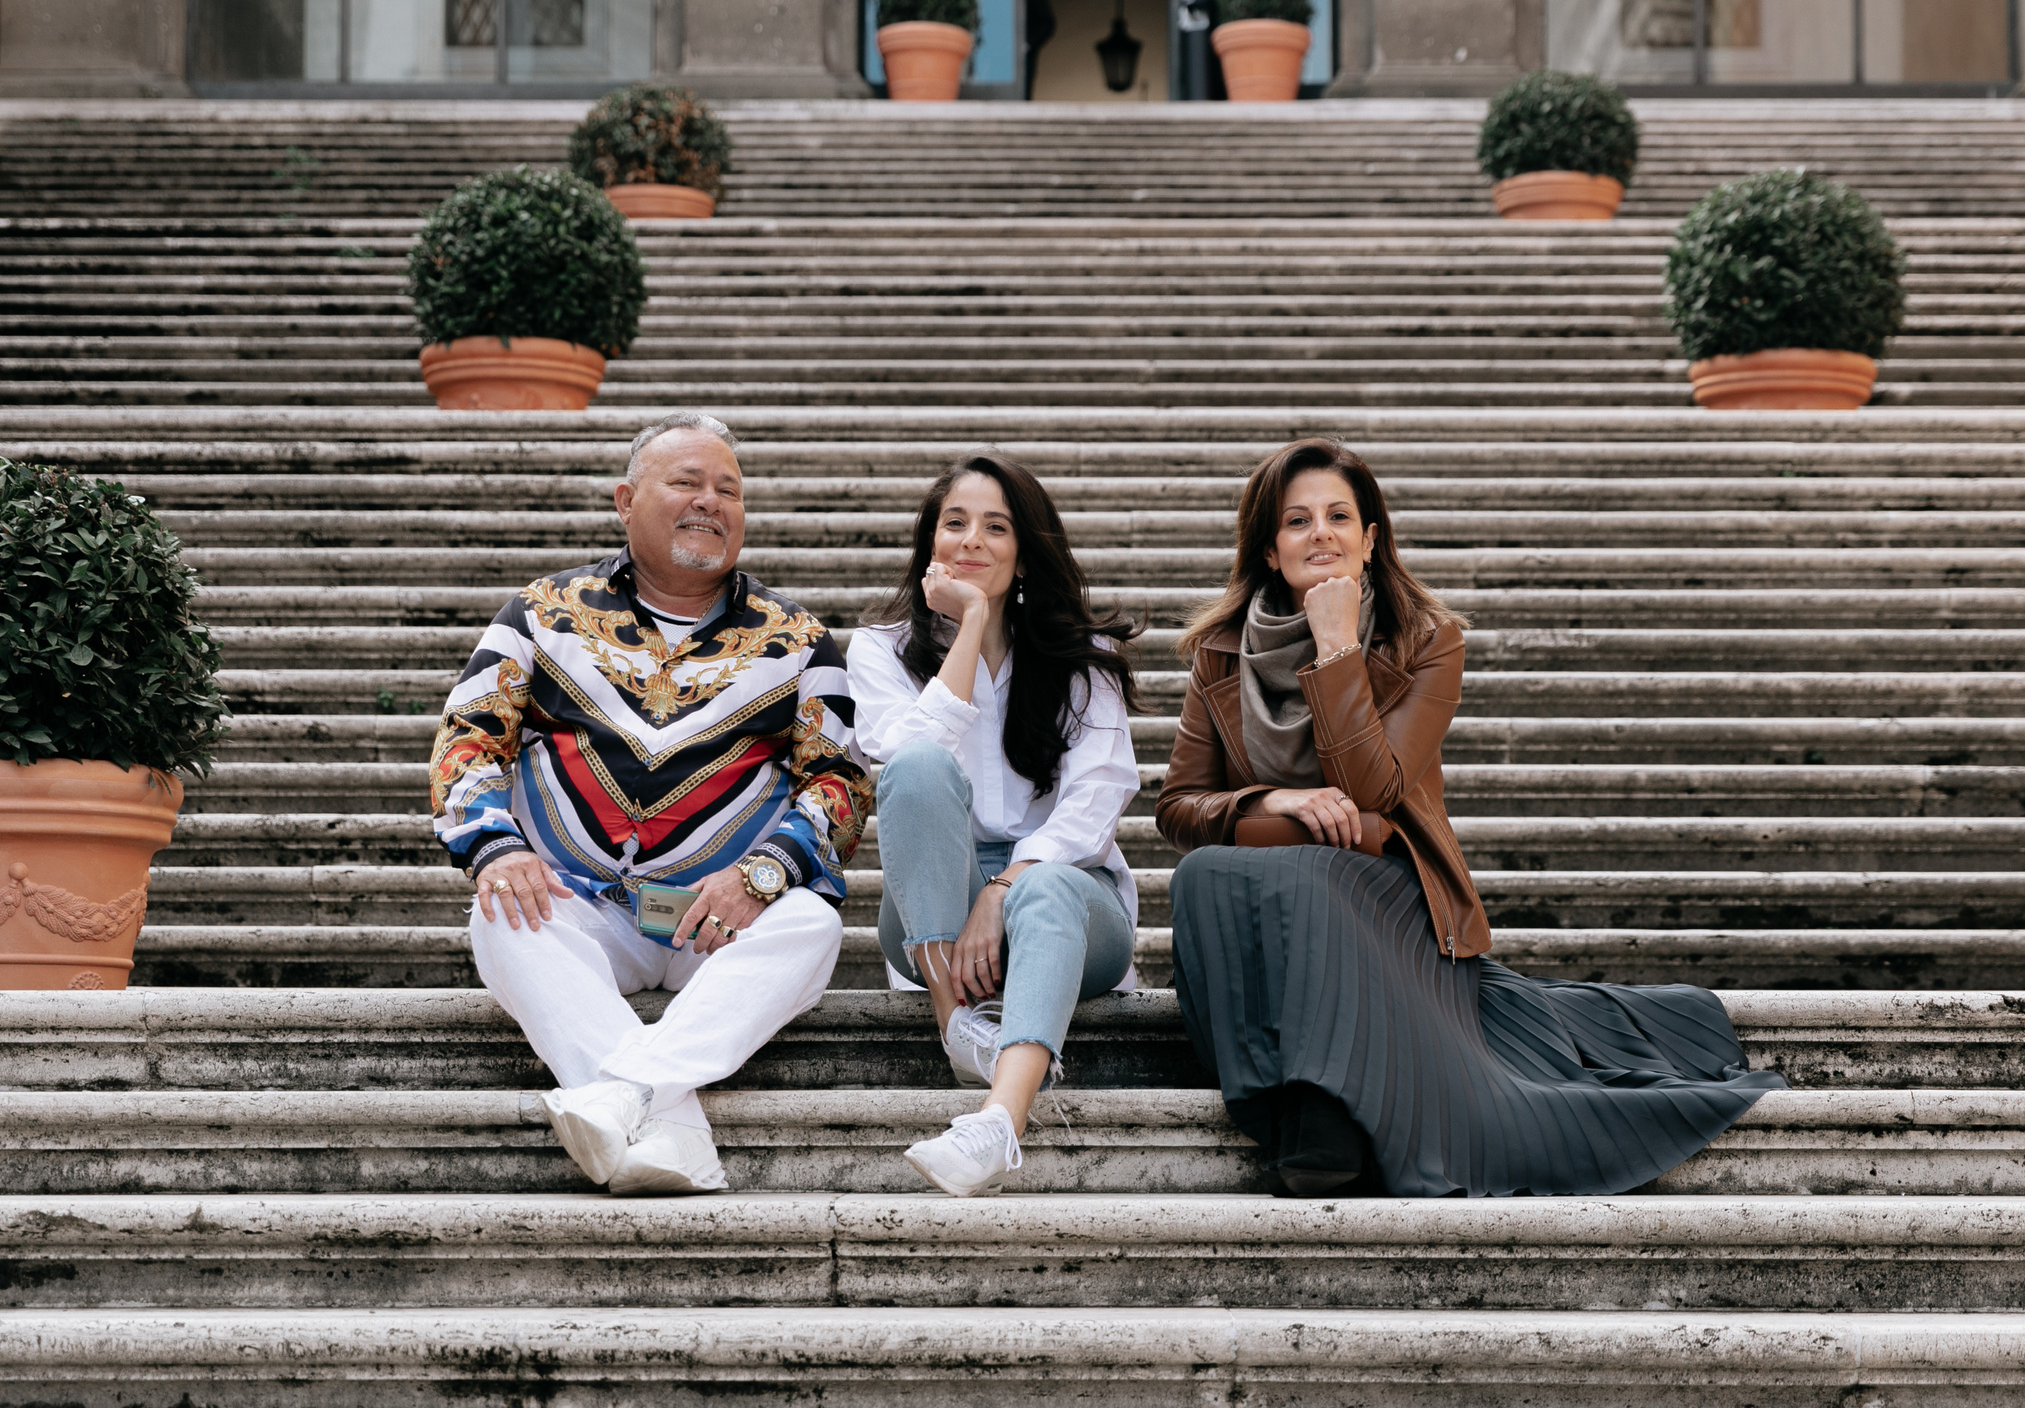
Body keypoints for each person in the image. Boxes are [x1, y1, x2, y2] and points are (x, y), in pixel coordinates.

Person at [1157, 437, 1785, 1198]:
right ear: (1268, 546)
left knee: (1296, 875)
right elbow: (1180, 808)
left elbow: (1375, 792)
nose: (1319, 532)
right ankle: (1296, 1102)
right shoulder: (1220, 654)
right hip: (1275, 886)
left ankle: (1318, 1116)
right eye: (1297, 520)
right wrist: (1272, 802)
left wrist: (1334, 648)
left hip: (1387, 891)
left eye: (1338, 516)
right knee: (1206, 874)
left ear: (1371, 538)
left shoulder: (1427, 642)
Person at [432, 411, 871, 1196]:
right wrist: (498, 846)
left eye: (728, 490)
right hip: (582, 903)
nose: (711, 501)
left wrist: (763, 875)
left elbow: (839, 781)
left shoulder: (798, 640)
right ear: (625, 500)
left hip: (718, 914)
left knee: (811, 921)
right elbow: (466, 737)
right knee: (499, 909)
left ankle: (621, 1096)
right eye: (687, 482)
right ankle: (672, 1127)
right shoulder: (541, 613)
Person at [845, 454, 1141, 1197]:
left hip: (1068, 899)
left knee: (1047, 892)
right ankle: (957, 1024)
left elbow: (1098, 796)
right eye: (956, 523)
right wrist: (971, 622)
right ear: (930, 544)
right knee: (916, 767)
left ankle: (999, 1121)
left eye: (997, 526)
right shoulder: (878, 651)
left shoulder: (1082, 660)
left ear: (1026, 548)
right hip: (929, 908)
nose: (973, 539)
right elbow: (906, 762)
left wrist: (1006, 884)